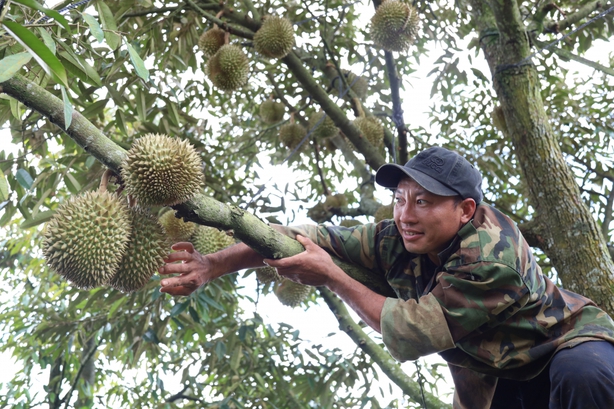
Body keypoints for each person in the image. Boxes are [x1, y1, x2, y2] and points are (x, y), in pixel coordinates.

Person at [158, 146, 614, 409]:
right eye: (400, 198)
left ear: (465, 210)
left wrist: (332, 276)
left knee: (583, 377)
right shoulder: (395, 236)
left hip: (565, 347)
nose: (405, 214)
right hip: (502, 373)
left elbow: (412, 333)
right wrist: (213, 265)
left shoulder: (491, 254)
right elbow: (299, 237)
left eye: (423, 202)